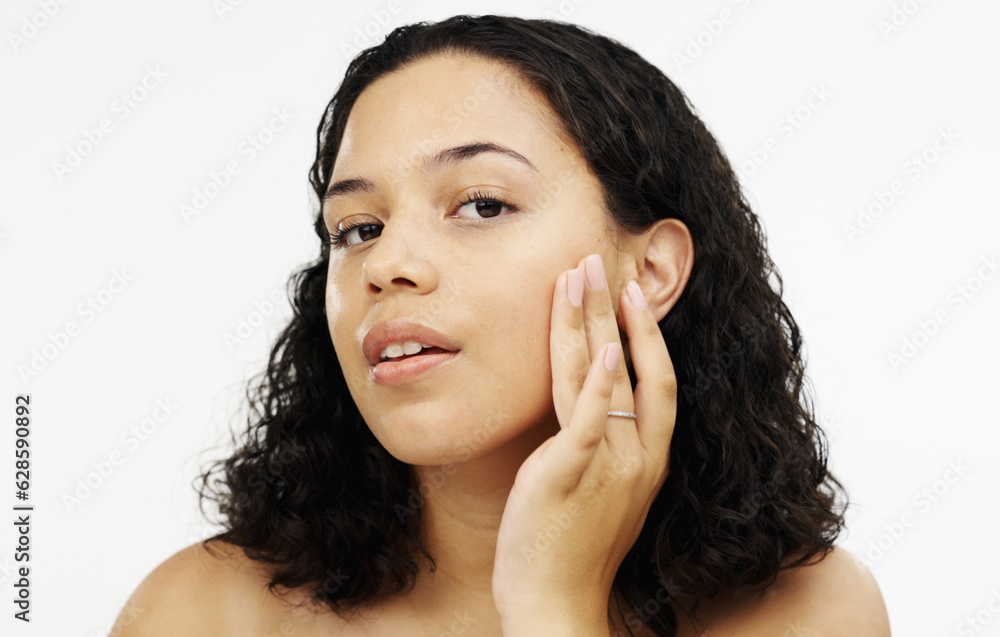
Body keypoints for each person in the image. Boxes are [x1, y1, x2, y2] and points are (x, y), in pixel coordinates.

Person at [112, 14, 890, 636]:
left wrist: (555, 608)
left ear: (650, 272)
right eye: (356, 227)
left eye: (483, 203)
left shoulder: (805, 614)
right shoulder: (203, 614)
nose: (387, 264)